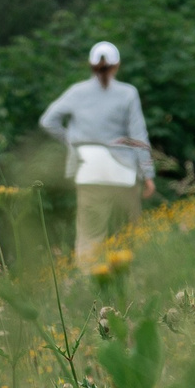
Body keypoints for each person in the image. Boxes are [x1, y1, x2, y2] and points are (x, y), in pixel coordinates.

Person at [38, 40, 154, 272]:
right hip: (123, 173)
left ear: (91, 65)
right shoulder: (128, 93)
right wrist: (148, 174)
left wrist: (73, 142)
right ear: (117, 65)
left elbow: (47, 120)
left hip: (88, 171)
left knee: (90, 236)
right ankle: (131, 281)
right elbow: (138, 135)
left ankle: (87, 284)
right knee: (128, 231)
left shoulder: (76, 92)